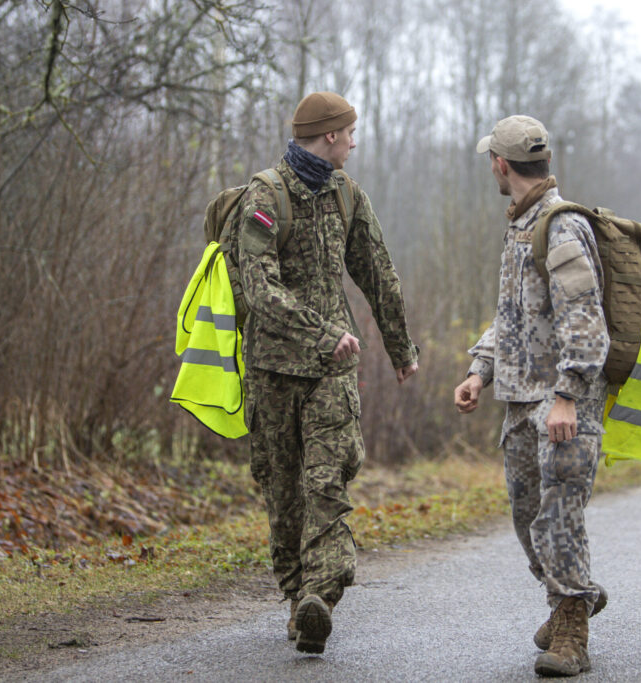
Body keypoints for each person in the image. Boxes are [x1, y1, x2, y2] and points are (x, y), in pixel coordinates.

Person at [236, 91, 419, 655]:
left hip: (332, 371)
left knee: (326, 482)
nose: (355, 141)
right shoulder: (265, 196)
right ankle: (297, 601)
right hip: (271, 371)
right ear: (331, 135)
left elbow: (377, 273)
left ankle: (321, 593)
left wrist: (400, 348)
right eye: (351, 132)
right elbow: (258, 287)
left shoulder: (347, 195)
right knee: (284, 493)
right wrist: (319, 330)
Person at [453, 115, 609, 677]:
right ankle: (574, 595)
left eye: (489, 159)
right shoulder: (520, 224)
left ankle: (571, 631)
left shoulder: (560, 228)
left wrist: (568, 395)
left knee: (557, 514)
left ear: (501, 164)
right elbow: (513, 317)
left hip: (563, 404)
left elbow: (586, 321)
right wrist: (480, 369)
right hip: (520, 400)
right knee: (526, 517)